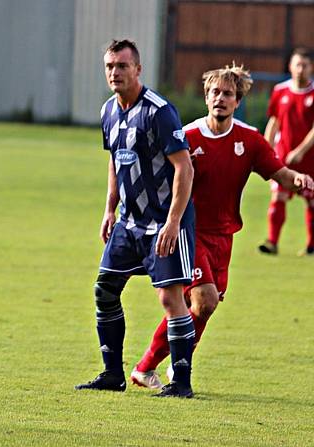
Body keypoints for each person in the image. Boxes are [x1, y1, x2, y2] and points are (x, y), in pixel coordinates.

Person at [130, 65, 314, 389]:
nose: (220, 98)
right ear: (206, 96)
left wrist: (297, 179)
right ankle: (179, 366)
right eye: (214, 92)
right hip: (189, 232)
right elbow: (159, 180)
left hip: (224, 235)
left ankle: (146, 368)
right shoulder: (187, 137)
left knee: (201, 309)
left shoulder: (250, 140)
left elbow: (278, 173)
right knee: (204, 300)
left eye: (227, 94)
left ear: (237, 100)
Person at [75, 39, 197, 398]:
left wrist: (174, 221)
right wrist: (109, 209)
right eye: (110, 66)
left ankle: (182, 383)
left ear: (138, 69)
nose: (115, 72)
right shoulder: (108, 112)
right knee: (105, 290)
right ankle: (112, 374)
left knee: (170, 299)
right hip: (128, 223)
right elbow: (115, 161)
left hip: (163, 222)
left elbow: (184, 168)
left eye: (123, 66)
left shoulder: (159, 111)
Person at [259, 48, 314, 256]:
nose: (300, 69)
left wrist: (301, 151)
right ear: (290, 67)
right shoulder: (280, 90)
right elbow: (274, 121)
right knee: (278, 196)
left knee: (312, 200)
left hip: (310, 158)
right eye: (297, 64)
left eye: (304, 65)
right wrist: (266, 148)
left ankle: (312, 245)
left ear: (311, 68)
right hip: (283, 156)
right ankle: (272, 242)